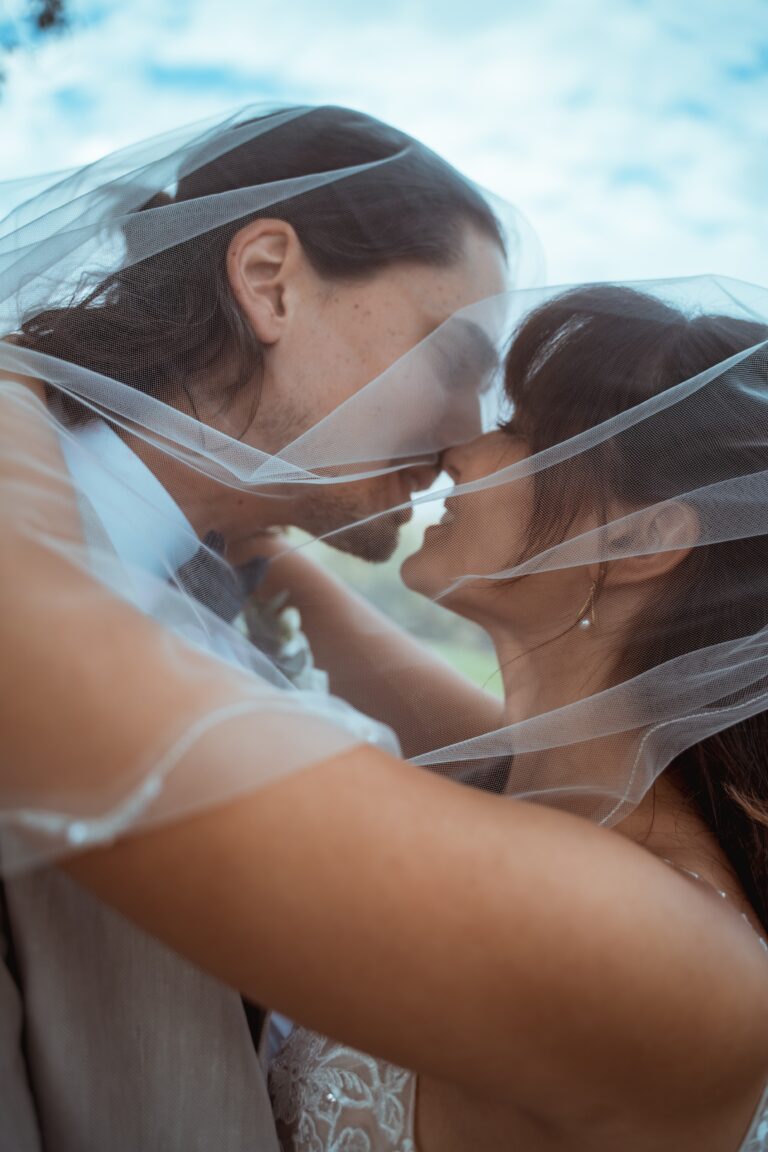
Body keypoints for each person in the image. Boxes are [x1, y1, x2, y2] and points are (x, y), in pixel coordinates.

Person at [2, 280, 768, 1152]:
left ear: (637, 541)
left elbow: (40, 670)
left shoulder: (652, 953)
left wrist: (14, 385)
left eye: (517, 428)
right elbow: (356, 645)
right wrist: (256, 499)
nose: (459, 449)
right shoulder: (571, 780)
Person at [0, 103, 513, 1152]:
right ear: (270, 281)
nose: (469, 437)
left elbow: (513, 782)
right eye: (451, 354)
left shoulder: (227, 583)